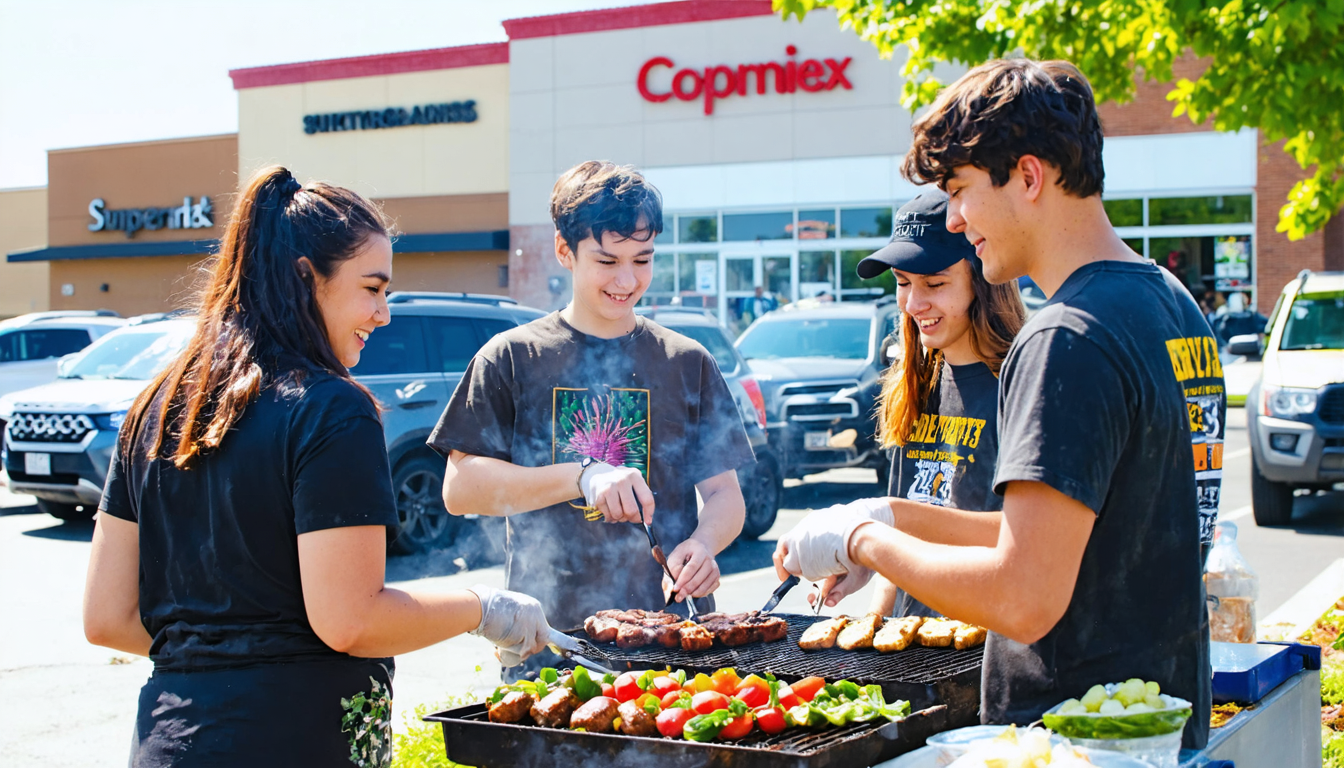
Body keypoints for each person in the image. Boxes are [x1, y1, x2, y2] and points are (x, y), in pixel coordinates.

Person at [772, 59, 1222, 748]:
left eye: (960, 190)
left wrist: (861, 541)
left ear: (1029, 176)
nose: (955, 217)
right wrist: (889, 515)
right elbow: (1066, 535)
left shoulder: (1068, 337)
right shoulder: (1170, 302)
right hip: (1158, 726)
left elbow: (1022, 595)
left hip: (1072, 737)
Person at [82, 166, 552, 766]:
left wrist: (219, 655)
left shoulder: (158, 405)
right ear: (307, 279)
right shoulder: (332, 408)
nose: (384, 314)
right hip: (293, 739)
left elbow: (108, 618)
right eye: (373, 288)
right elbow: (351, 621)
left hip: (169, 740)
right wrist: (485, 608)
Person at [431, 160, 754, 681]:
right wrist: (583, 474)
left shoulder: (686, 361)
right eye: (607, 261)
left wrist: (704, 544)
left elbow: (725, 497)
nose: (627, 280)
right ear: (565, 250)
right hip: (546, 640)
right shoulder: (511, 357)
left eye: (642, 260)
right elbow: (460, 489)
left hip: (672, 643)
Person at [853, 190, 1026, 619]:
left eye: (934, 283)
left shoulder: (1023, 385)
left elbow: (1028, 541)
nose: (914, 304)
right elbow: (902, 543)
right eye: (902, 282)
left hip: (983, 649)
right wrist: (875, 628)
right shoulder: (915, 383)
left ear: (983, 281)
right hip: (915, 654)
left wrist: (875, 527)